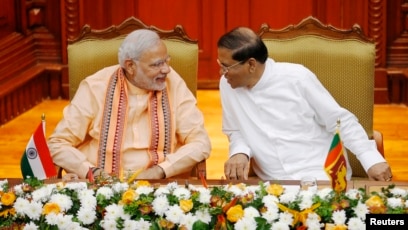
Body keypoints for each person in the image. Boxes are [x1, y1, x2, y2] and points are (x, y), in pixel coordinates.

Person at [217, 27, 392, 181]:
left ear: (251, 65)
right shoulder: (227, 85)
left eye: (226, 67)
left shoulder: (297, 78)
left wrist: (371, 158)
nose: (222, 72)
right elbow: (235, 130)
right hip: (271, 184)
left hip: (321, 175)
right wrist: (239, 152)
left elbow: (339, 120)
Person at [48, 29, 211, 180]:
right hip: (100, 188)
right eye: (157, 64)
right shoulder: (95, 87)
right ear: (130, 66)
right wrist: (92, 172)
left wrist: (160, 171)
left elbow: (201, 142)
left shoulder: (173, 83)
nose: (166, 70)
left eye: (166, 61)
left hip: (162, 188)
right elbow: (57, 144)